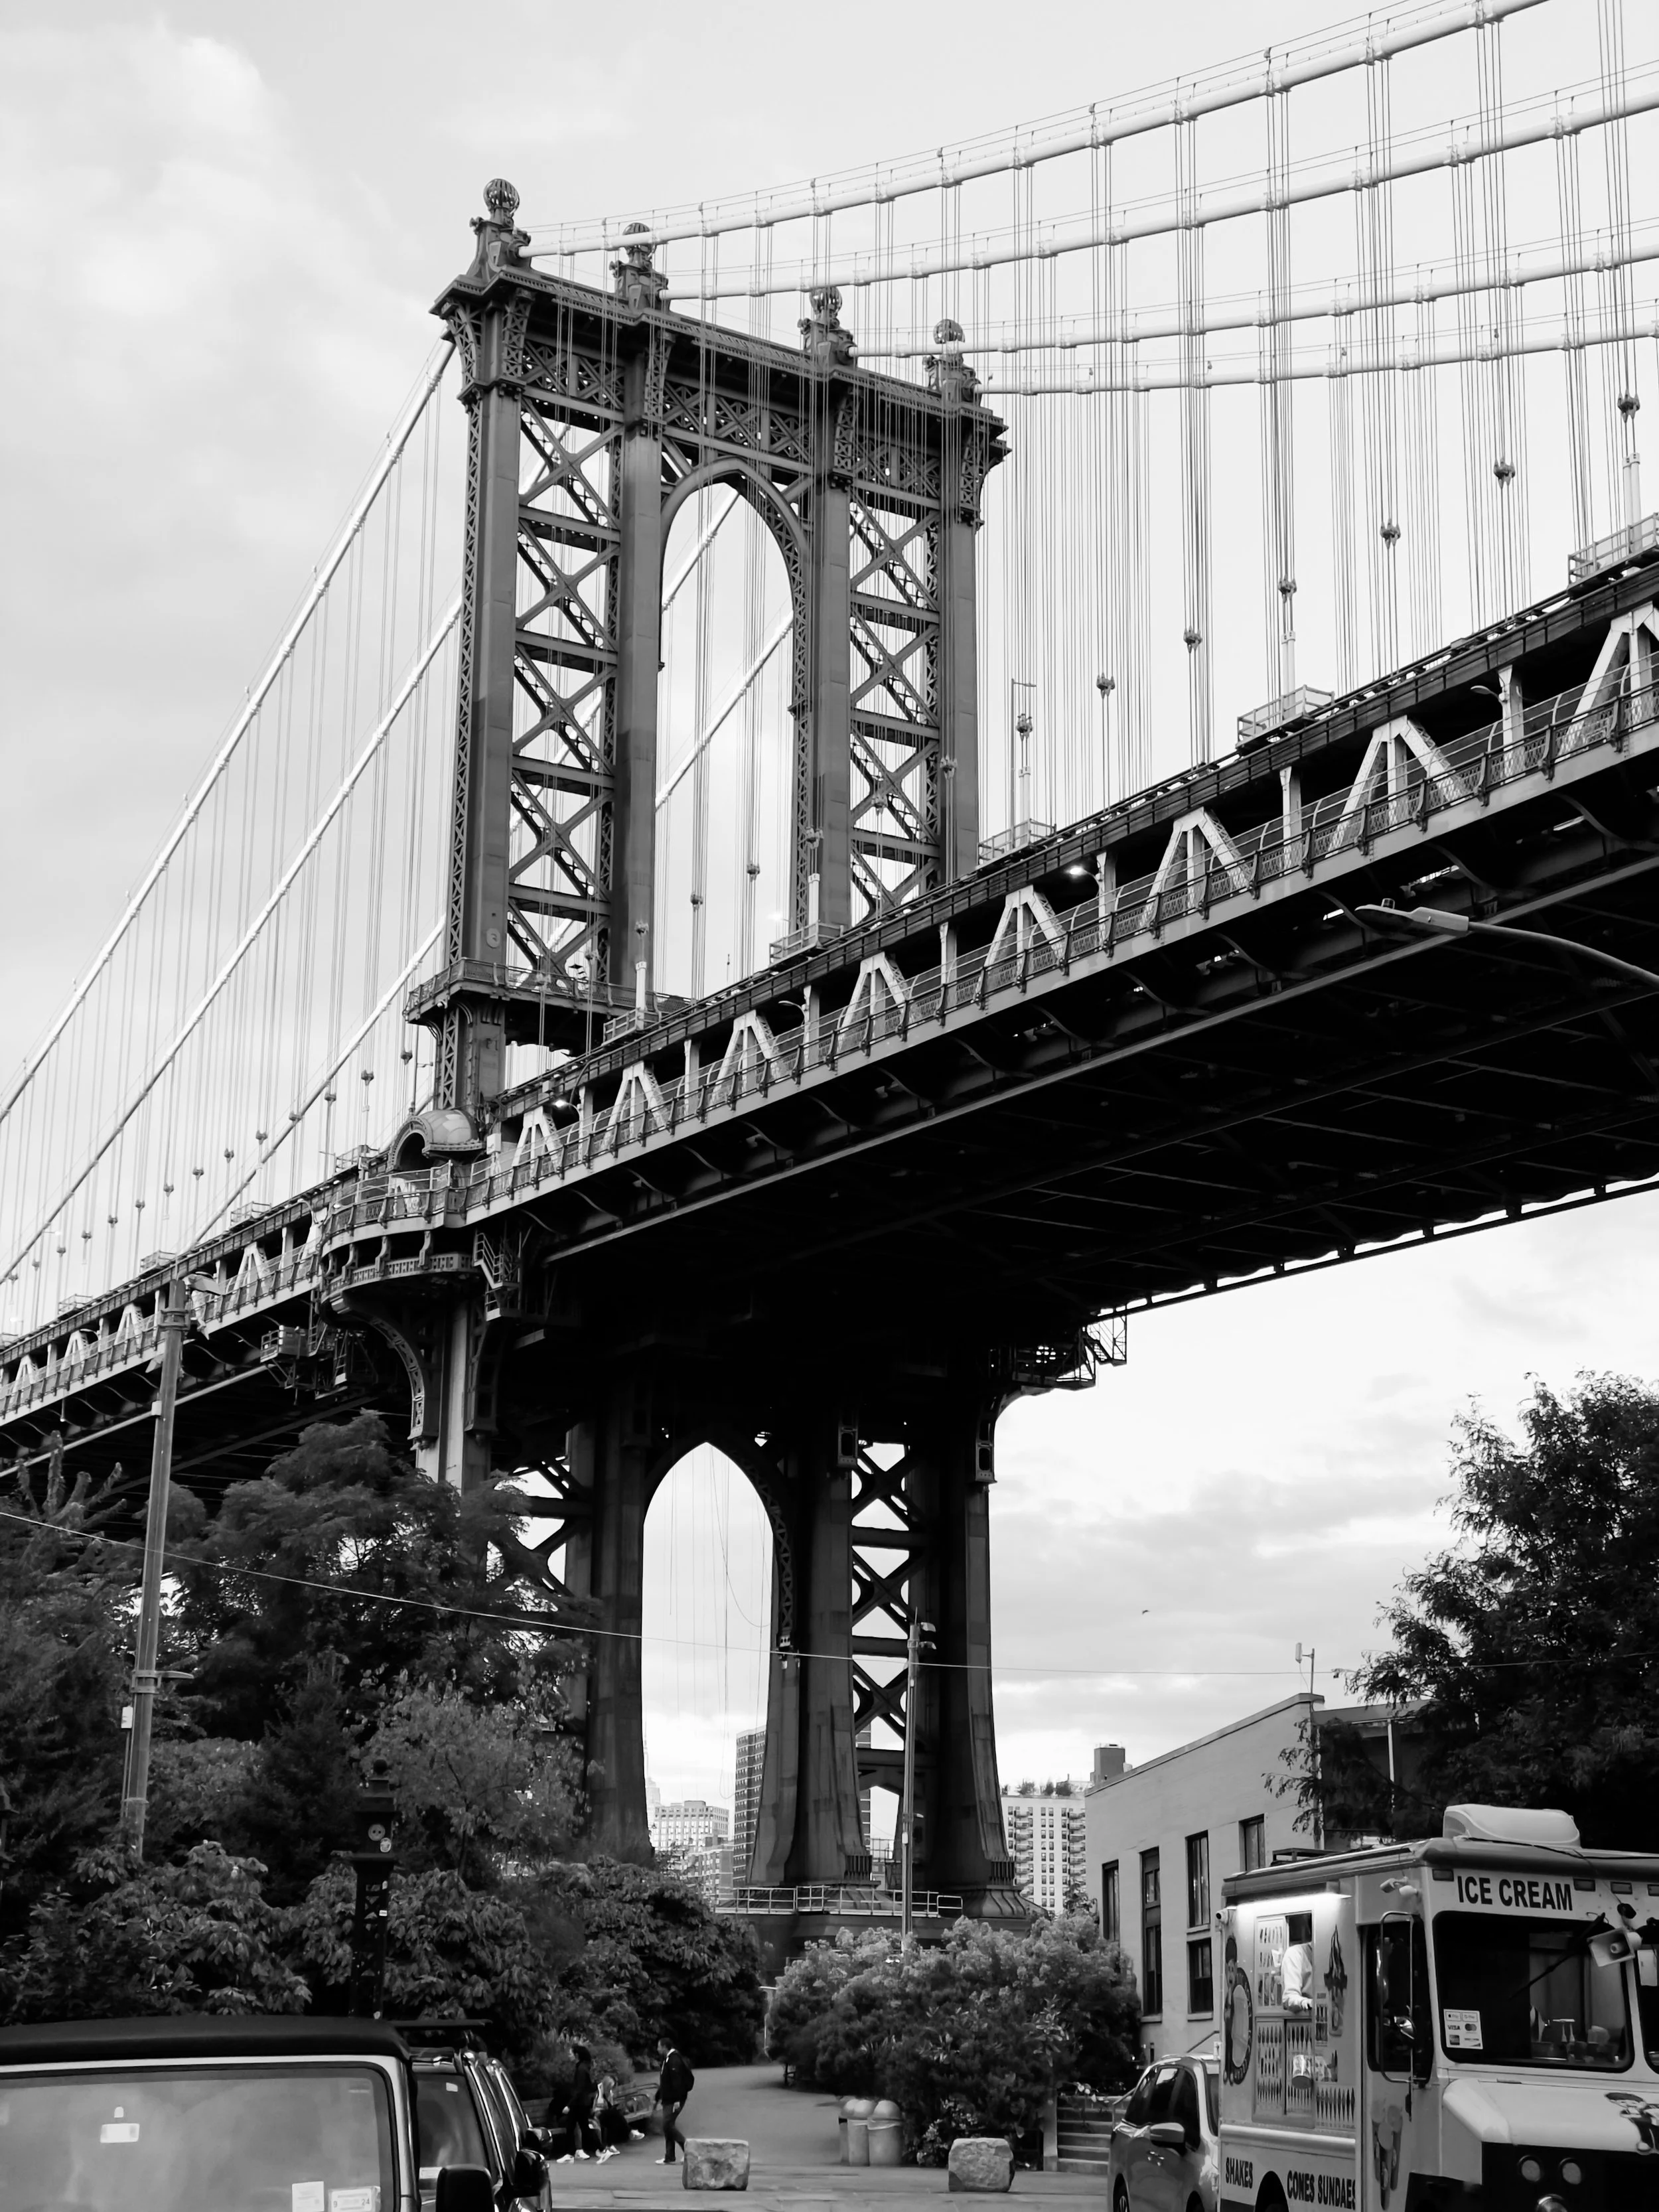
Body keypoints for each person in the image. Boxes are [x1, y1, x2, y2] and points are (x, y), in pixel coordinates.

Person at [654, 2039, 695, 2166]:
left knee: (667, 2125)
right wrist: (658, 2096)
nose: (658, 2049)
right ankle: (670, 2156)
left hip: (675, 2099)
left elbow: (677, 2082)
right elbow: (665, 2081)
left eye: (659, 2047)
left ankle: (688, 2148)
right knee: (668, 2126)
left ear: (665, 2047)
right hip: (668, 2099)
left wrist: (677, 2100)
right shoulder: (667, 2060)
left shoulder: (674, 2060)